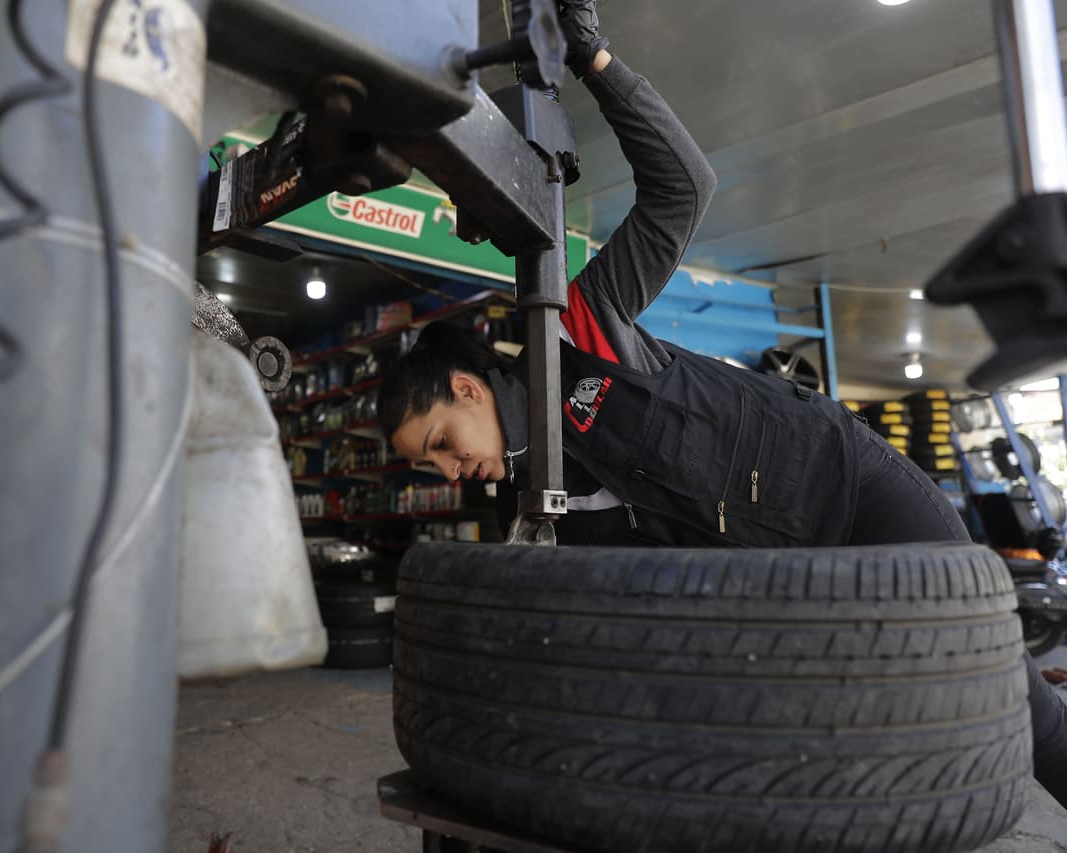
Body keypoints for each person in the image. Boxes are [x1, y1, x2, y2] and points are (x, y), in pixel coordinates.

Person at [376, 0, 1067, 809]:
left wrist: (598, 65)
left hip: (848, 496)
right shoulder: (530, 518)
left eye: (442, 442)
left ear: (465, 387)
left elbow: (682, 188)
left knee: (999, 676)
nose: (454, 471)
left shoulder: (574, 331)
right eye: (434, 465)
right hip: (780, 600)